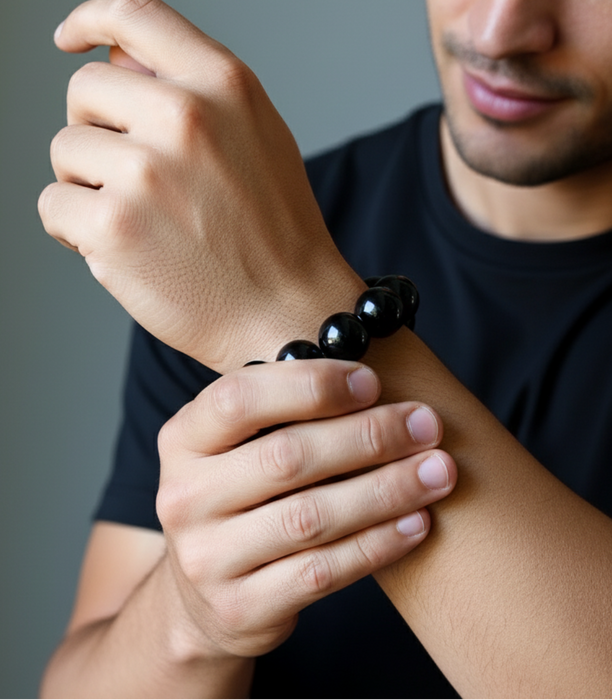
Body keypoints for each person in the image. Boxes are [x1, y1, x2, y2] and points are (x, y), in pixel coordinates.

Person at [37, 0, 612, 697]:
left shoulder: (259, 268)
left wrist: (289, 306)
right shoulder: (237, 229)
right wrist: (193, 621)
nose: (499, 31)